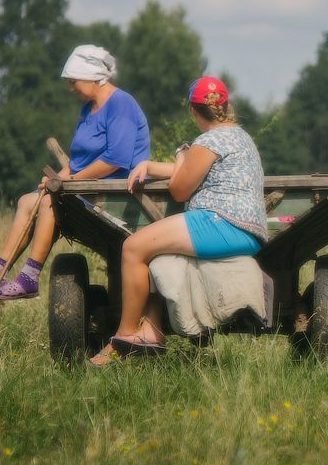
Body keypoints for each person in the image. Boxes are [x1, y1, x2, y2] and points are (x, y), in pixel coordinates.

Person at [0, 45, 151, 301]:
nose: (71, 88)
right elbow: (79, 161)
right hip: (88, 188)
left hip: (114, 192)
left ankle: (30, 277)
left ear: (91, 77)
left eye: (73, 82)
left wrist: (71, 182)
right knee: (26, 200)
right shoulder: (89, 109)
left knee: (48, 201)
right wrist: (59, 178)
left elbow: (115, 159)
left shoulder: (121, 104)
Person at [89, 75, 266, 366]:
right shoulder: (238, 136)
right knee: (156, 252)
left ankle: (125, 336)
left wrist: (182, 153)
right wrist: (148, 165)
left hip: (219, 221)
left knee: (134, 248)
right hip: (244, 228)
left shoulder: (208, 140)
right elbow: (188, 169)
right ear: (226, 106)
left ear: (193, 111)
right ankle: (151, 329)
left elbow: (180, 188)